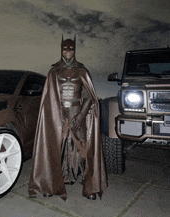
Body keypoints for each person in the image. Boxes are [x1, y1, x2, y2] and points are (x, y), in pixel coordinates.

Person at [28, 36, 107, 200]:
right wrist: (54, 117)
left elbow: (88, 95)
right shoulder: (53, 71)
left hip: (78, 114)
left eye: (71, 48)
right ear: (61, 49)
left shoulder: (82, 71)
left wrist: (82, 114)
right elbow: (49, 98)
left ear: (75, 49)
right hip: (59, 115)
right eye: (65, 48)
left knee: (84, 150)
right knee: (55, 149)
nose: (68, 51)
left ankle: (89, 187)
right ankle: (50, 184)